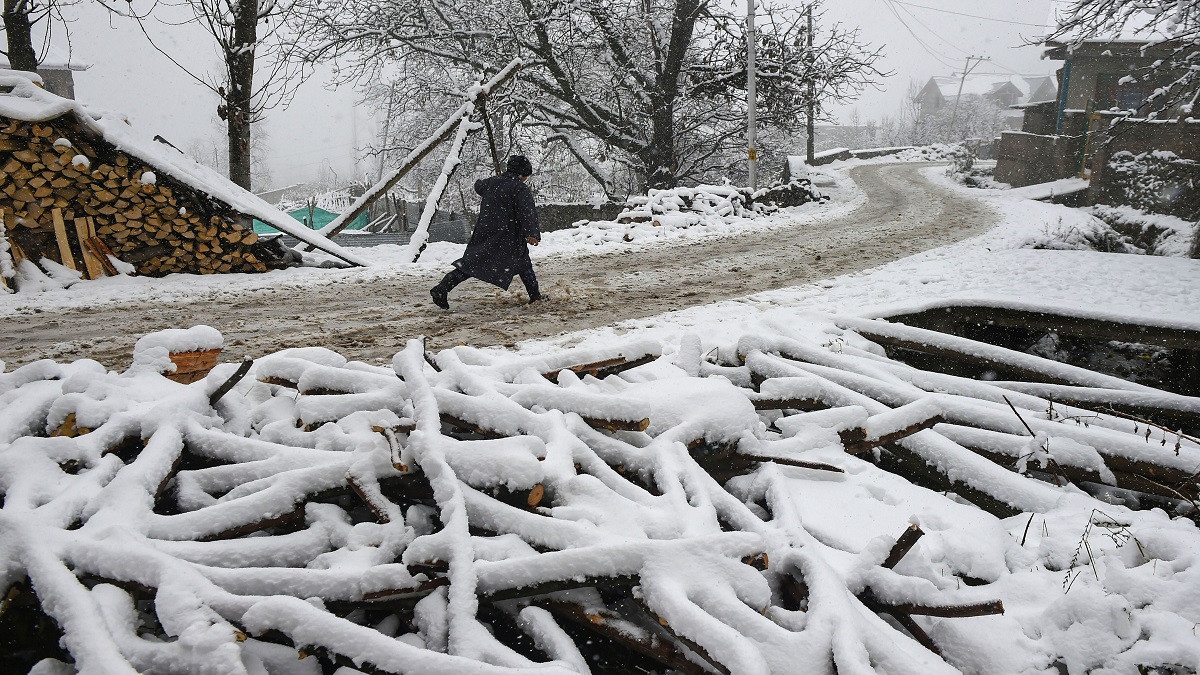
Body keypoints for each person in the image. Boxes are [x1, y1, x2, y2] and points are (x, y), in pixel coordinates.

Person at [430, 155, 543, 309]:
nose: (525, 180)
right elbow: (527, 212)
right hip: (508, 236)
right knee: (523, 262)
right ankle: (535, 296)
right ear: (522, 174)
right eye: (525, 176)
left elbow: (478, 186)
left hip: (486, 232)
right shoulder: (520, 188)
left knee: (472, 264)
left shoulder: (491, 183)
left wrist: (497, 181)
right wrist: (532, 233)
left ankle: (442, 287)